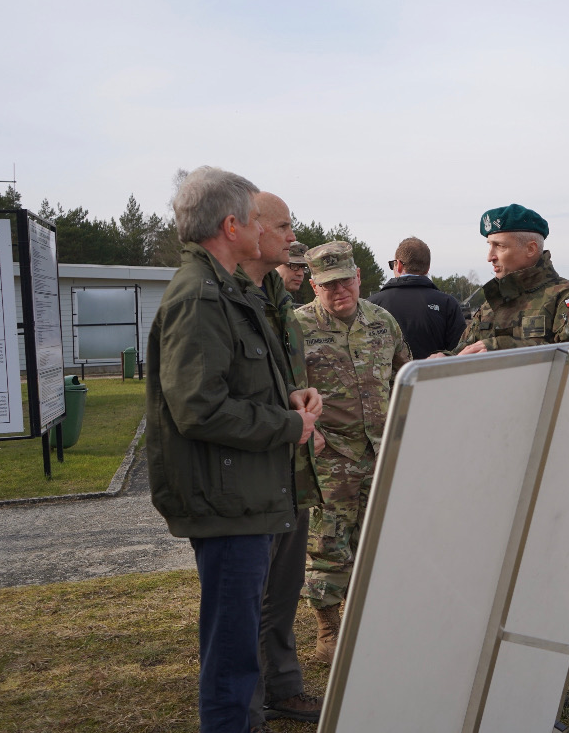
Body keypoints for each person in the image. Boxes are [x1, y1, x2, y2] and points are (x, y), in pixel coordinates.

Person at [146, 166, 321, 733]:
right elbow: (197, 407)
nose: (271, 231)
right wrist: (288, 425)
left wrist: (286, 396)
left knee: (240, 644)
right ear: (231, 225)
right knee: (231, 657)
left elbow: (230, 385)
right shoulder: (200, 297)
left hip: (245, 496)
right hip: (228, 504)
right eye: (255, 218)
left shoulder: (229, 292)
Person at [441, 204, 569, 733]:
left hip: (556, 460)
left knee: (567, 576)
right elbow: (464, 360)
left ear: (531, 248)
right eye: (488, 247)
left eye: (500, 246)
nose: (490, 256)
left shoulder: (567, 301)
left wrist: (493, 347)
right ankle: (516, 686)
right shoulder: (488, 306)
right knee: (501, 577)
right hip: (496, 460)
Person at [296, 241, 411, 664]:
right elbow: (280, 390)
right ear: (313, 285)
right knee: (329, 546)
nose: (339, 291)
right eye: (328, 285)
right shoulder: (296, 328)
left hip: (379, 454)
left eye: (345, 281)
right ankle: (329, 630)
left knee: (377, 540)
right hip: (330, 457)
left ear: (359, 277)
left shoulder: (383, 321)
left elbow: (404, 375)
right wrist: (306, 429)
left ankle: (371, 620)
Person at [234, 193, 324, 730]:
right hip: (252, 473)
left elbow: (283, 375)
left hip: (291, 469)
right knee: (244, 599)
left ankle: (283, 687)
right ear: (252, 228)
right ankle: (243, 709)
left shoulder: (275, 301)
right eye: (285, 226)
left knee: (285, 588)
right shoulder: (226, 299)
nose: (293, 238)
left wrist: (302, 397)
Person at [367, 236, 466, 358]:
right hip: (433, 375)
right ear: (428, 268)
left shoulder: (371, 305)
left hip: (387, 377)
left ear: (398, 265)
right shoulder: (447, 304)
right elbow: (461, 352)